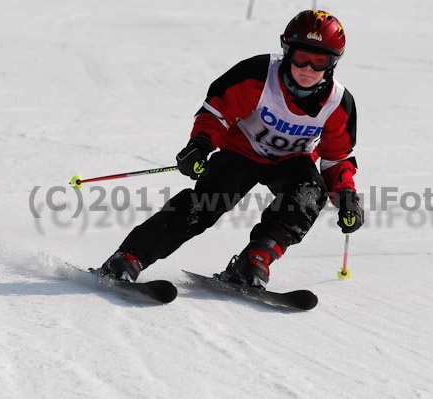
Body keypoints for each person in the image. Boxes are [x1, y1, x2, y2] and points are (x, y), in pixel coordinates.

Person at [94, 10, 364, 288]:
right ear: (287, 52)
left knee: (309, 194)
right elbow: (217, 113)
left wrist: (346, 197)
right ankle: (129, 257)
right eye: (301, 57)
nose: (308, 68)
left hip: (292, 161)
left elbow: (336, 158)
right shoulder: (258, 75)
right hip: (241, 152)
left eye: (319, 61)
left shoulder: (338, 103)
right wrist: (200, 145)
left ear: (332, 64)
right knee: (205, 204)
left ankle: (255, 260)